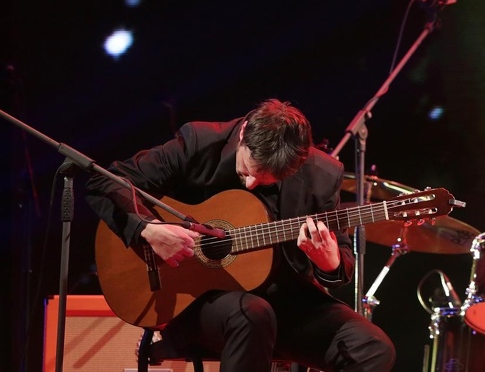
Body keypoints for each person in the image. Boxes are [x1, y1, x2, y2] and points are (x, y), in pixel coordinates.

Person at [86, 98, 395, 372]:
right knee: (252, 315)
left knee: (373, 348)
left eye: (264, 180)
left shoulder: (322, 174)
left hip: (287, 305)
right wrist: (147, 229)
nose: (249, 185)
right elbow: (106, 183)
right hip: (199, 304)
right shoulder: (199, 142)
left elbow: (341, 260)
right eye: (247, 171)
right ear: (244, 133)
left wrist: (329, 263)